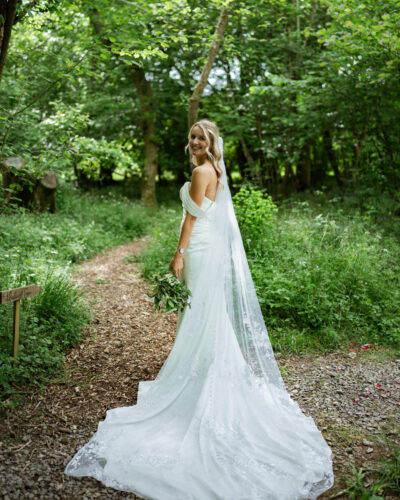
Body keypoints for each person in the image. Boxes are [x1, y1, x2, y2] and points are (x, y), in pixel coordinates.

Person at [64, 119, 334, 499]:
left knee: (201, 313)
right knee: (208, 313)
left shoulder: (200, 171)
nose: (194, 142)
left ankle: (200, 378)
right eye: (191, 136)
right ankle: (210, 367)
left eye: (200, 138)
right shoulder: (217, 170)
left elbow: (191, 218)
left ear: (210, 143)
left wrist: (179, 253)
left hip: (199, 250)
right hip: (208, 250)